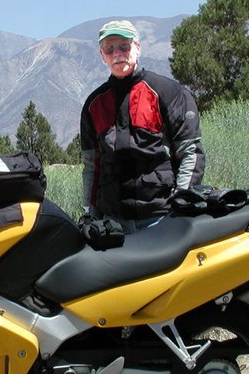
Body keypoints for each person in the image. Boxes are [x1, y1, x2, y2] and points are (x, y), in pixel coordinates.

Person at [80, 20, 205, 234]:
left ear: (137, 48)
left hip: (161, 217)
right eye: (109, 49)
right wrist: (90, 216)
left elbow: (191, 153)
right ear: (102, 55)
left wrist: (180, 205)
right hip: (114, 221)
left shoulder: (169, 93)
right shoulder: (94, 105)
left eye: (124, 46)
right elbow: (92, 166)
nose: (117, 53)